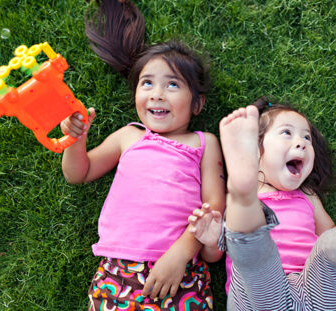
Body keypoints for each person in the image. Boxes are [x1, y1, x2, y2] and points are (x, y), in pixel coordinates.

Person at [61, 1, 225, 310]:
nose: (156, 94)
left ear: (197, 104)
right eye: (146, 83)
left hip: (181, 270)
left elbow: (214, 207)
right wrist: (75, 140)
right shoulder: (128, 136)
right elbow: (78, 173)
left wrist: (181, 253)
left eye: (172, 84)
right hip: (118, 271)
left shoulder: (203, 142)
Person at [188, 98, 336, 310]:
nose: (302, 143)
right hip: (263, 296)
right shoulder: (241, 212)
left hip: (317, 291)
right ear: (257, 151)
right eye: (286, 133)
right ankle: (243, 192)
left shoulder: (308, 195)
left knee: (329, 247)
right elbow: (214, 256)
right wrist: (211, 241)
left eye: (307, 137)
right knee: (253, 255)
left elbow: (329, 234)